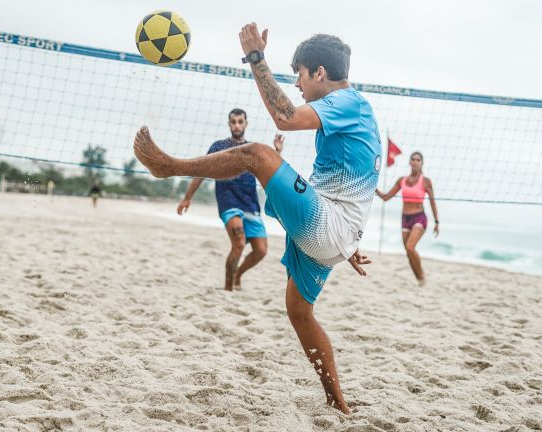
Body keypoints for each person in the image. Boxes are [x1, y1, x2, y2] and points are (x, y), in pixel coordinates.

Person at [134, 24, 381, 414]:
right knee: (299, 312)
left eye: (299, 74)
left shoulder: (350, 102)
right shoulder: (353, 113)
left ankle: (168, 166)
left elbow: (284, 116)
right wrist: (347, 240)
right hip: (334, 229)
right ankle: (339, 404)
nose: (297, 84)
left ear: (319, 73)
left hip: (331, 227)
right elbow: (358, 176)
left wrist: (256, 57)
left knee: (257, 154)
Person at [177, 108, 284, 291]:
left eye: (240, 121)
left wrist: (277, 151)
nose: (237, 125)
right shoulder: (218, 147)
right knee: (239, 244)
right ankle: (227, 290)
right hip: (228, 202)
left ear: (245, 124)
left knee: (261, 251)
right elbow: (200, 172)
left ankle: (237, 275)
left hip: (250, 203)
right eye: (233, 122)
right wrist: (187, 198)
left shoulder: (252, 150)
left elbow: (270, 171)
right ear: (229, 124)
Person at [375, 151, 439, 285]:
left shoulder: (426, 181)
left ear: (422, 163)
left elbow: (432, 202)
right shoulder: (402, 180)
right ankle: (419, 279)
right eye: (413, 159)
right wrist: (374, 188)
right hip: (405, 218)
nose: (415, 162)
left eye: (418, 160)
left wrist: (437, 221)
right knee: (408, 253)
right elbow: (386, 198)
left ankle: (422, 274)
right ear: (410, 162)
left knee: (410, 247)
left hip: (419, 217)